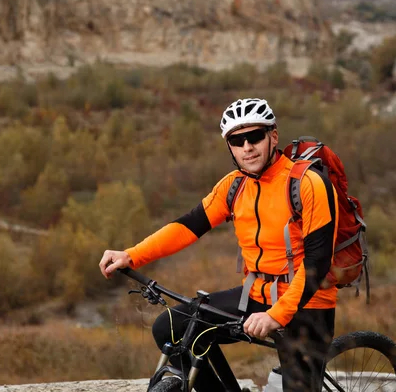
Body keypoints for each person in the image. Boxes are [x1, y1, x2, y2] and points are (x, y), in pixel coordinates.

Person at [99, 98, 338, 392]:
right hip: (255, 295)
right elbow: (187, 226)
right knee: (171, 329)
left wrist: (276, 315)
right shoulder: (234, 186)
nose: (247, 147)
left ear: (273, 136)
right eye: (237, 141)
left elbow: (317, 263)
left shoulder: (308, 184)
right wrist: (131, 256)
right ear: (230, 147)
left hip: (307, 302)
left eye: (255, 136)